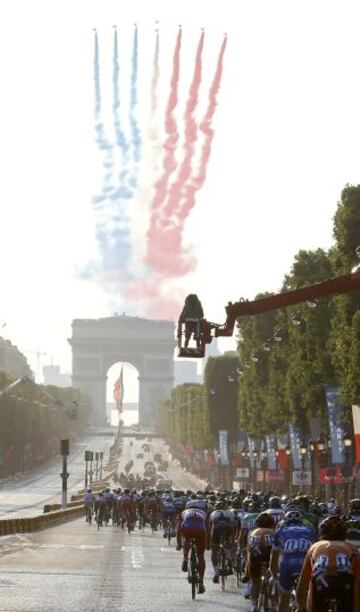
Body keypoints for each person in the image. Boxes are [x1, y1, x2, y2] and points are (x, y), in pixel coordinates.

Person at [296, 515, 360, 612]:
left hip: (321, 581)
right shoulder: (352, 548)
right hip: (345, 582)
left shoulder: (315, 546)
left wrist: (300, 607)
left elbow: (304, 581)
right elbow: (358, 582)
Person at [270, 510, 316, 612]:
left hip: (287, 565)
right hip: (305, 566)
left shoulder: (280, 531)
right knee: (308, 594)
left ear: (285, 521)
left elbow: (274, 556)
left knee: (284, 595)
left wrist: (274, 575)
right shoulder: (310, 530)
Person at [176, 499, 207, 594]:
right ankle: (201, 582)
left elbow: (179, 528)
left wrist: (178, 544)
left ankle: (185, 558)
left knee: (186, 539)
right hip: (200, 530)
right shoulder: (203, 513)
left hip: (187, 528)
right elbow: (207, 528)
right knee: (201, 556)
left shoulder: (184, 512)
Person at [247, 512, 276, 612]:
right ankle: (273, 603)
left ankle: (254, 604)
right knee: (274, 579)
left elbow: (249, 554)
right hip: (269, 556)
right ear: (272, 523)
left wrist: (247, 574)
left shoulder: (253, 532)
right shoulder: (274, 532)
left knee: (255, 582)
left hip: (255, 557)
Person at [209, 499, 237, 583]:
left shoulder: (213, 513)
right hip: (228, 529)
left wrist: (211, 541)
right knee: (228, 545)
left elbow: (210, 527)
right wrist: (232, 540)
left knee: (214, 551)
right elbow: (234, 527)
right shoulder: (231, 513)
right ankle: (230, 560)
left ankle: (215, 571)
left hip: (216, 530)